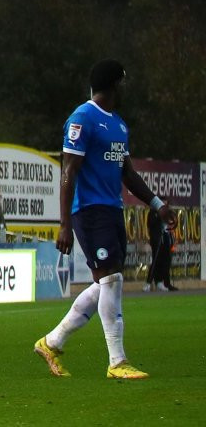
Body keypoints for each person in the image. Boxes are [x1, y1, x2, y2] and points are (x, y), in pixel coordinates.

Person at [33, 60, 175, 380]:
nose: (125, 88)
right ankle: (117, 362)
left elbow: (128, 173)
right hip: (90, 211)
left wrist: (156, 204)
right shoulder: (82, 118)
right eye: (122, 82)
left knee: (104, 284)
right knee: (112, 280)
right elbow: (69, 172)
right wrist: (65, 223)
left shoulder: (119, 125)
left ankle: (52, 342)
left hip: (111, 210)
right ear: (113, 85)